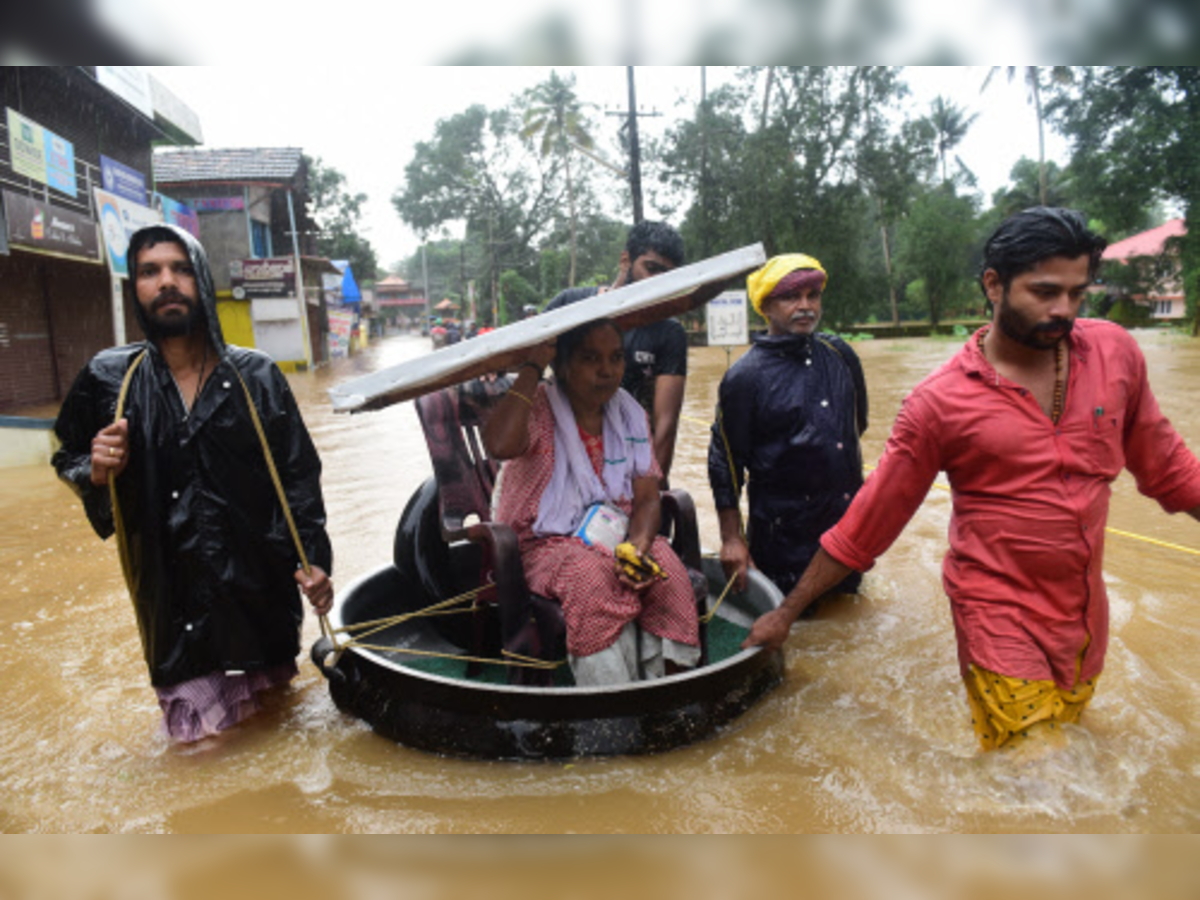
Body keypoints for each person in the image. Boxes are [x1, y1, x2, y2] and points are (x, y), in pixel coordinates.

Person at [742, 207, 1200, 752]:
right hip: (997, 621)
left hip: (1083, 624)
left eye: (1078, 294)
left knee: (1064, 756)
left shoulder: (1115, 353)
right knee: (1043, 775)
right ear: (993, 285)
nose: (1064, 311)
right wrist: (786, 613)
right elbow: (868, 523)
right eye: (1045, 291)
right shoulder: (938, 404)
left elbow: (1168, 468)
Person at [52, 224, 333, 743]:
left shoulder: (257, 377)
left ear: (201, 278)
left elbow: (298, 481)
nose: (166, 282)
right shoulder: (109, 380)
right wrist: (92, 468)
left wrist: (314, 562)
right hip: (173, 610)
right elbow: (66, 454)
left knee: (274, 744)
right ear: (134, 288)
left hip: (260, 604)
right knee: (197, 750)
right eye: (150, 271)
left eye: (180, 268)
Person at [483, 319, 701, 686]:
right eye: (590, 358)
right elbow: (500, 445)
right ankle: (616, 706)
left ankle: (670, 694)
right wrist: (533, 367)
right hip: (542, 543)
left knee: (667, 572)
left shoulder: (630, 413)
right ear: (564, 366)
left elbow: (648, 499)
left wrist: (639, 546)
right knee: (592, 578)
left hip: (615, 535)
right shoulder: (539, 407)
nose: (607, 370)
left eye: (616, 357)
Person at [709, 254, 868, 600]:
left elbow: (856, 427)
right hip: (783, 540)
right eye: (791, 297)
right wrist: (732, 539)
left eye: (813, 295)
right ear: (765, 306)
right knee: (793, 626)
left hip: (846, 531)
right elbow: (726, 464)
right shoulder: (744, 377)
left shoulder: (840, 355)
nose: (806, 306)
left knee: (847, 613)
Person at [543, 221, 688, 481]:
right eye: (651, 268)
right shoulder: (569, 305)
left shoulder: (669, 333)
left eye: (667, 276)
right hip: (558, 454)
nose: (658, 282)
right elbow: (525, 365)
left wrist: (652, 495)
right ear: (625, 260)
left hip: (628, 464)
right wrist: (494, 371)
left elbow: (665, 425)